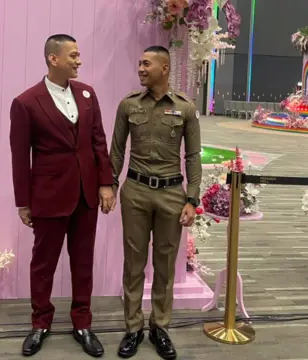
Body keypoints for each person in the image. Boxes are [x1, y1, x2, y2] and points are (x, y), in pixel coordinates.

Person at [9, 34, 115, 358]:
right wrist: (23, 202)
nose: (79, 61)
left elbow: (98, 141)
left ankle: (82, 322)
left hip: (86, 196)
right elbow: (19, 155)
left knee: (83, 263)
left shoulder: (87, 94)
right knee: (43, 264)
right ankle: (40, 322)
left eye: (79, 55)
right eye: (73, 55)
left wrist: (106, 184)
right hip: (48, 196)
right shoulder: (26, 102)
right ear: (53, 58)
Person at [109, 46, 202, 360]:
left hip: (171, 194)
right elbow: (117, 151)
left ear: (165, 67)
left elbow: (192, 157)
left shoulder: (185, 109)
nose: (141, 68)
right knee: (133, 263)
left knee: (165, 265)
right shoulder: (128, 105)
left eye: (147, 63)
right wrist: (109, 185)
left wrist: (192, 199)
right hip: (134, 191)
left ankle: (159, 327)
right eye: (139, 63)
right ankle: (133, 328)